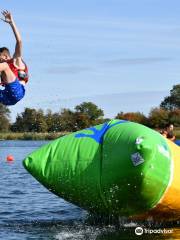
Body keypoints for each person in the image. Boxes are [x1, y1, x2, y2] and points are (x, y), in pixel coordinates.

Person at [0, 10, 28, 106]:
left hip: (17, 92)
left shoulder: (16, 60)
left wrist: (12, 23)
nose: (1, 61)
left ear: (5, 55)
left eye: (0, 59)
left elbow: (19, 41)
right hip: (7, 98)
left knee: (4, 66)